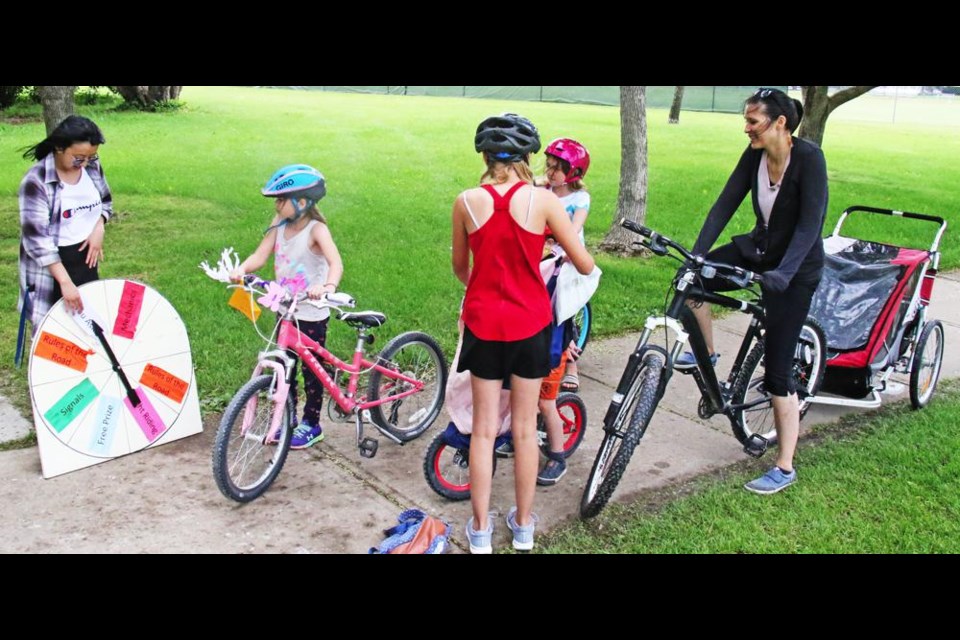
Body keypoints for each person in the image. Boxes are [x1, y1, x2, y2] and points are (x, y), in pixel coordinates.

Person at [452, 114, 595, 553]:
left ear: (484, 156)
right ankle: (524, 526)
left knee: (483, 429)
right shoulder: (544, 201)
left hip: (482, 324)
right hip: (531, 325)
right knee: (524, 431)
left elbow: (462, 268)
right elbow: (585, 264)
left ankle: (479, 531)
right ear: (527, 157)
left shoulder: (466, 201)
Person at [681, 88, 828, 495]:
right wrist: (696, 256)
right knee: (693, 282)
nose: (746, 129)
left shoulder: (810, 159)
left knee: (779, 373)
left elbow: (810, 225)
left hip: (795, 269)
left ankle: (784, 466)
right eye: (745, 121)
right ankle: (706, 354)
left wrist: (784, 273)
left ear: (780, 122)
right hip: (760, 250)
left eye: (753, 122)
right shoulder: (755, 155)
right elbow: (725, 204)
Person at [232, 164, 344, 450]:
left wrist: (327, 288)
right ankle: (288, 417)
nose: (277, 205)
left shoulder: (317, 230)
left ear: (302, 202)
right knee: (286, 368)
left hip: (311, 312)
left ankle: (312, 423)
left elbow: (335, 263)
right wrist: (241, 269)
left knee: (312, 371)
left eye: (281, 200)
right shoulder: (278, 227)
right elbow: (260, 255)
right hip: (286, 310)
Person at [17, 115, 112, 360]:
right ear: (60, 148)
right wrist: (65, 282)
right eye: (78, 158)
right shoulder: (36, 181)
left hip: (86, 262)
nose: (85, 163)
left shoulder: (91, 166)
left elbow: (105, 202)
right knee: (53, 342)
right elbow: (38, 242)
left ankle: (88, 392)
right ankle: (50, 396)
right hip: (52, 271)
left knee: (90, 334)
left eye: (90, 157)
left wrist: (99, 226)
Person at [542, 137, 591, 393]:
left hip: (569, 255)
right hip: (546, 253)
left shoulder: (580, 199)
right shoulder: (545, 190)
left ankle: (571, 365)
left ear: (572, 173)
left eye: (555, 168)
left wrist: (563, 249)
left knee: (564, 307)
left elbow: (574, 231)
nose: (549, 172)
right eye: (547, 166)